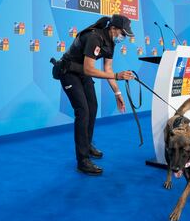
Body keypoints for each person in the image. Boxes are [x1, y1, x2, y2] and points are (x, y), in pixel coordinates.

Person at [58, 14, 135, 176]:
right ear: (113, 28)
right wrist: (116, 76)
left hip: (82, 73)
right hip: (69, 71)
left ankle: (87, 144)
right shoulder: (94, 37)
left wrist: (117, 92)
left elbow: (108, 70)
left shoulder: (111, 43)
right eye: (123, 33)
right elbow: (89, 69)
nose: (124, 37)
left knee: (92, 107)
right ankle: (82, 161)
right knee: (83, 111)